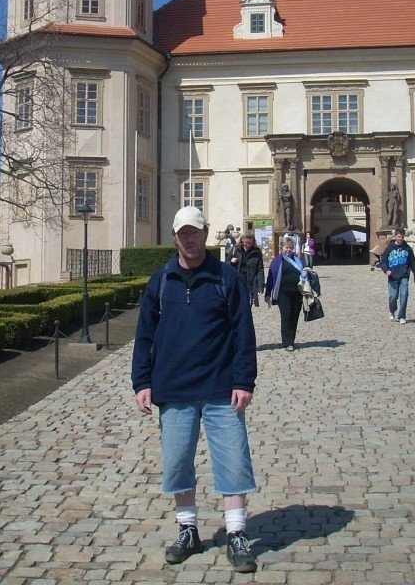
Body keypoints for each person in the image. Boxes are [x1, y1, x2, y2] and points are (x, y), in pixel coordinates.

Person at [131, 206, 259, 573]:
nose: (189, 238)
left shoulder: (226, 277)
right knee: (177, 464)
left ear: (206, 234)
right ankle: (188, 529)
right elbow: (145, 336)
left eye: (195, 232)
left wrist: (243, 381)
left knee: (233, 461)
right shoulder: (160, 281)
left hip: (221, 388)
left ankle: (236, 533)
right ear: (174, 237)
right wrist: (142, 382)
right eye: (183, 233)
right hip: (173, 389)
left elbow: (243, 334)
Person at [264, 235, 309, 351]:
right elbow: (270, 278)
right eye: (286, 247)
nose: (288, 250)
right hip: (283, 293)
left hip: (298, 292)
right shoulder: (277, 261)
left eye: (290, 248)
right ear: (281, 248)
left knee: (294, 317)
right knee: (286, 316)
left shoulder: (298, 260)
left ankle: (291, 340)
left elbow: (304, 272)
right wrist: (268, 293)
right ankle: (287, 342)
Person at [381, 227, 415, 324]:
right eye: (399, 237)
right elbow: (383, 261)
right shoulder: (389, 248)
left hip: (404, 275)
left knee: (404, 295)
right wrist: (386, 270)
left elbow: (412, 262)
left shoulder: (407, 248)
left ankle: (402, 315)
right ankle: (392, 310)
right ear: (395, 236)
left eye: (402, 237)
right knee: (393, 297)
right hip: (392, 276)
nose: (400, 238)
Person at [233, 233, 265, 306]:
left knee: (247, 307)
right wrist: (231, 261)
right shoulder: (236, 249)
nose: (248, 245)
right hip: (237, 282)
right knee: (236, 306)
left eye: (250, 243)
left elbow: (260, 270)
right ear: (242, 241)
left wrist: (260, 286)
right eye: (246, 243)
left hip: (250, 283)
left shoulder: (257, 252)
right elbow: (227, 264)